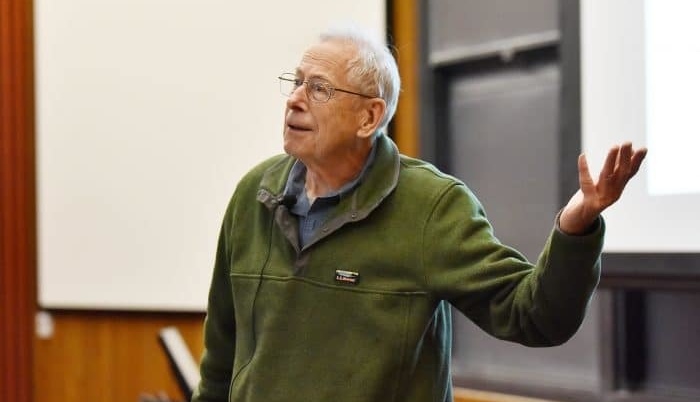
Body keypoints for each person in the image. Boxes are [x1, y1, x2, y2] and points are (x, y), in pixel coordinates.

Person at [191, 26, 647, 402]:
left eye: (320, 89)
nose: (294, 100)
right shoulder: (255, 193)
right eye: (296, 83)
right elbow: (221, 356)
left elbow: (533, 316)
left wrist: (577, 223)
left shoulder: (431, 206)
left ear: (369, 117)